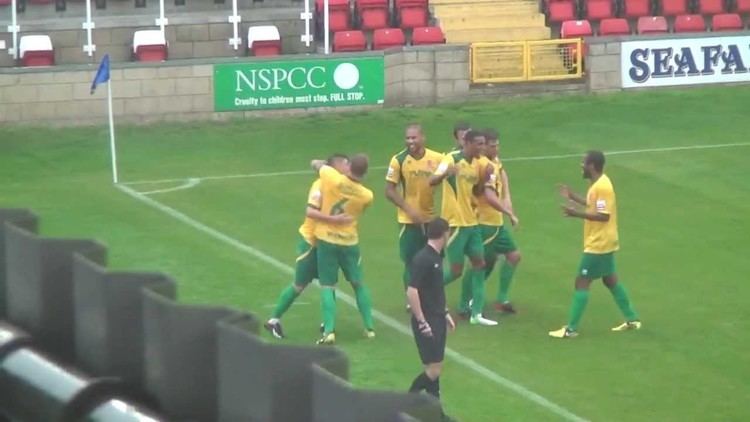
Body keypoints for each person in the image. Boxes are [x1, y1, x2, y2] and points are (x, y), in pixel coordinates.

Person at [549, 150, 641, 338]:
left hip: (599, 244)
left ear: (592, 165)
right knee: (609, 279)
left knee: (581, 282)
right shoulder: (598, 185)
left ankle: (571, 329)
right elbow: (595, 205)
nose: (581, 165)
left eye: (583, 162)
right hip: (605, 241)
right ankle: (632, 319)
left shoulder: (603, 187)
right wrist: (573, 196)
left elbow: (603, 215)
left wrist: (576, 214)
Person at [264, 154, 352, 339]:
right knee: (300, 284)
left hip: (328, 242)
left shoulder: (340, 186)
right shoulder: (320, 185)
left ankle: (327, 325)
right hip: (312, 242)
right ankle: (273, 321)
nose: (348, 166)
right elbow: (310, 212)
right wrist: (333, 220)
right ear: (334, 167)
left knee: (330, 282)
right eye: (345, 163)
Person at [429, 130, 497, 326]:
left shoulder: (478, 164)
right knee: (457, 270)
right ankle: (427, 290)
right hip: (455, 223)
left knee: (479, 264)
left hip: (472, 223)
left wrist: (485, 179)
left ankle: (476, 314)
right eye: (479, 144)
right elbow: (431, 181)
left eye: (484, 144)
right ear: (466, 143)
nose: (482, 148)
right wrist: (444, 174)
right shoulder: (451, 159)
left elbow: (476, 191)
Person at [311, 154, 375, 345]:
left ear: (348, 168)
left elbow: (315, 163)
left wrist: (324, 164)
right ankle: (369, 327)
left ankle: (329, 331)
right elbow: (361, 211)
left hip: (326, 239)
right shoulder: (367, 195)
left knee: (327, 286)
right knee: (358, 284)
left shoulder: (331, 177)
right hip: (349, 241)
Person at [460, 129, 522, 315]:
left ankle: (501, 299)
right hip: (484, 222)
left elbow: (502, 178)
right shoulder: (482, 166)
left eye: (497, 145)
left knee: (513, 255)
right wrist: (508, 212)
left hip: (497, 223)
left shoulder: (494, 163)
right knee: (478, 263)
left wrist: (507, 199)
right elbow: (485, 194)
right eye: (492, 145)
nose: (496, 149)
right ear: (483, 145)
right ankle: (464, 303)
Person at [385, 124, 444, 304]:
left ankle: (431, 296)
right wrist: (409, 209)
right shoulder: (398, 160)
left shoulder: (437, 158)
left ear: (422, 138)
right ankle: (412, 300)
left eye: (414, 138)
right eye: (408, 138)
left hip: (430, 219)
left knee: (435, 261)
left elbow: (450, 167)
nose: (410, 141)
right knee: (411, 262)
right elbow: (389, 190)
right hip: (408, 221)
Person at [406, 217, 456, 422]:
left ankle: (437, 415)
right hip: (428, 322)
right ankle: (406, 403)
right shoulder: (424, 259)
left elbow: (434, 290)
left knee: (434, 368)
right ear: (444, 233)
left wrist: (445, 313)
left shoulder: (436, 257)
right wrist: (422, 321)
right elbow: (412, 291)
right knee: (434, 370)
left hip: (437, 318)